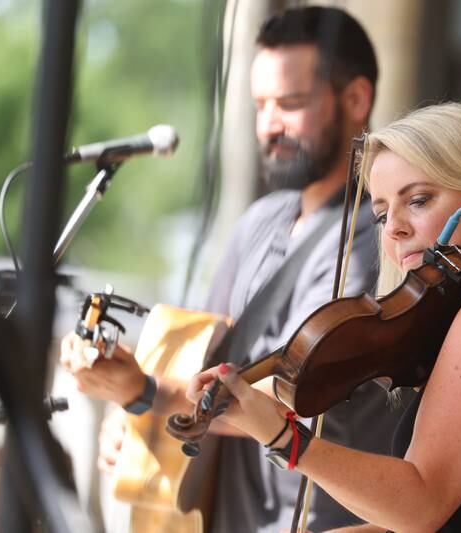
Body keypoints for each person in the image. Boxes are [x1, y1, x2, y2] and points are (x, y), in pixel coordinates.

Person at [189, 102, 461, 532]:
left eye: (419, 200)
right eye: (382, 213)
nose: (394, 229)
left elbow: (421, 504)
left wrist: (285, 441)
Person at [61, 6, 405, 532]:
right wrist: (134, 413)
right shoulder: (260, 221)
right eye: (260, 104)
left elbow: (299, 389)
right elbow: (201, 350)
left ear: (357, 99)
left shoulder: (378, 236)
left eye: (290, 103)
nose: (269, 124)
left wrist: (147, 392)